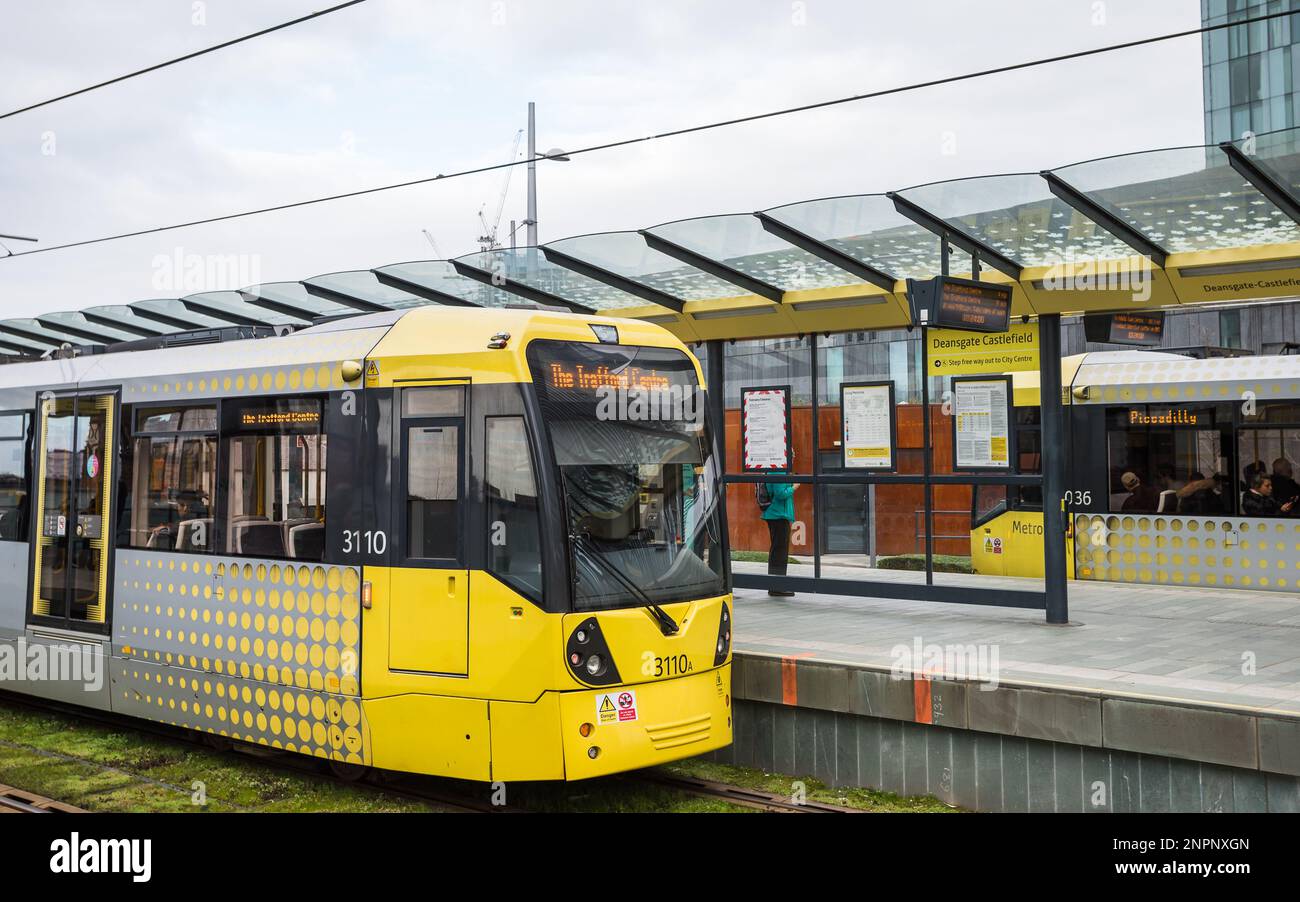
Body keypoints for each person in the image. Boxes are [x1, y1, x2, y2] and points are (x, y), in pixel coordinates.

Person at [758, 475, 796, 597]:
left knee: (777, 550)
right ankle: (777, 587)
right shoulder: (778, 470)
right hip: (778, 515)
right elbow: (780, 494)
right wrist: (794, 487)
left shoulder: (777, 470)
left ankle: (775, 585)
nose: (793, 455)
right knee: (780, 551)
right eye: (792, 454)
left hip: (776, 514)